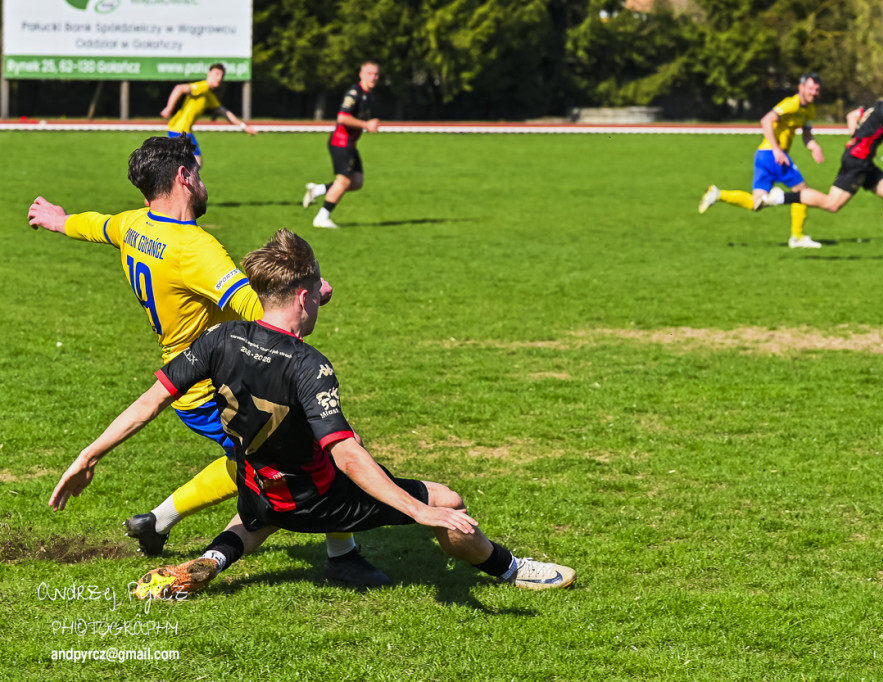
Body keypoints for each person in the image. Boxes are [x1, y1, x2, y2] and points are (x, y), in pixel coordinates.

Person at [49, 229, 577, 597]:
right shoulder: (309, 366)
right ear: (303, 298)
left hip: (261, 487)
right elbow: (346, 455)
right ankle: (512, 568)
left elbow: (150, 402)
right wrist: (420, 512)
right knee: (447, 500)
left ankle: (211, 560)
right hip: (322, 501)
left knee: (258, 514)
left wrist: (88, 456)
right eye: (317, 290)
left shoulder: (220, 338)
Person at [28, 135, 385, 588]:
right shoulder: (194, 249)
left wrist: (60, 221)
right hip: (221, 386)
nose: (203, 181)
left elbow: (99, 225)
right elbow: (261, 313)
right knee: (314, 452)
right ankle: (341, 556)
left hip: (186, 381)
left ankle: (157, 522)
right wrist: (309, 292)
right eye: (198, 172)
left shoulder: (134, 225)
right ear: (183, 176)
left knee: (262, 459)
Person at [760, 73, 883, 262]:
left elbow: (852, 115)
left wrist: (857, 137)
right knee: (832, 204)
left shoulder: (880, 103)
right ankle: (778, 197)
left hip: (861, 160)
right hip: (858, 162)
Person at [698, 73, 826, 249]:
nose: (814, 92)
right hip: (774, 156)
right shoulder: (791, 103)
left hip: (762, 155)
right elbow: (766, 120)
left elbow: (806, 135)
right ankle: (797, 237)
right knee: (803, 192)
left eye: (817, 89)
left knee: (756, 203)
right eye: (811, 88)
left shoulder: (809, 110)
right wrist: (776, 149)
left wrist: (814, 147)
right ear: (801, 87)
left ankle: (717, 194)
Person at [303, 61, 381, 229]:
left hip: (350, 143)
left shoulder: (369, 95)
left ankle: (318, 190)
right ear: (361, 74)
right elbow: (342, 118)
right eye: (369, 73)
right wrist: (366, 125)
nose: (373, 77)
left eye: (376, 74)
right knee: (344, 181)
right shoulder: (354, 93)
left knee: (357, 181)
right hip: (340, 142)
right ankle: (322, 217)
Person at [160, 63, 257, 167]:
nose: (219, 78)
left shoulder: (209, 95)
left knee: (193, 164)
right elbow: (179, 88)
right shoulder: (203, 86)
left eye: (222, 75)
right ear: (209, 73)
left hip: (184, 132)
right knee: (193, 164)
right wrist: (169, 108)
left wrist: (243, 126)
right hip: (178, 130)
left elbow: (225, 113)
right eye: (217, 74)